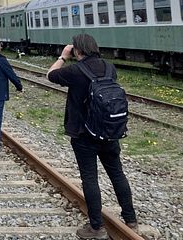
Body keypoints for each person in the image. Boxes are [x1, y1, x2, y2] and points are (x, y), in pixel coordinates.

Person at [47, 34, 138, 239]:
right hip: (109, 131)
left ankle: (96, 227)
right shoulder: (109, 67)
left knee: (90, 178)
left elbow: (51, 75)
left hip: (83, 134)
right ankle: (131, 218)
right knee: (117, 174)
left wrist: (63, 57)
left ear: (77, 51)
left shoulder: (74, 70)